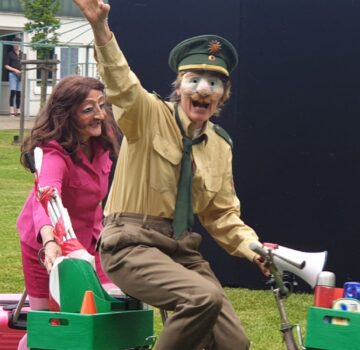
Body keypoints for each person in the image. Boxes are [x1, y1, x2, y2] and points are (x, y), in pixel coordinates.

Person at [74, 2, 270, 349]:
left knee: (233, 341)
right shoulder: (146, 114)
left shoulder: (220, 146)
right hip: (130, 244)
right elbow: (120, 82)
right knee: (201, 298)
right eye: (194, 80)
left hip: (180, 249)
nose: (203, 90)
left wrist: (253, 248)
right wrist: (101, 28)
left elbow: (222, 214)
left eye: (214, 83)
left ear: (224, 95)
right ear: (179, 87)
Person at [16, 75, 120, 350]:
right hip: (43, 243)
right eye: (89, 109)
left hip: (90, 242)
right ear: (67, 115)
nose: (100, 115)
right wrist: (51, 242)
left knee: (108, 312)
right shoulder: (53, 153)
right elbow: (46, 196)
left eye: (102, 105)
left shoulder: (104, 140)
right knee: (49, 327)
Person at [4, 37, 22, 117]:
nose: (16, 45)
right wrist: (15, 70)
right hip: (12, 75)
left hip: (20, 75)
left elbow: (25, 65)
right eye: (14, 44)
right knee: (13, 92)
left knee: (19, 93)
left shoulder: (22, 54)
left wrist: (22, 71)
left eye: (17, 43)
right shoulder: (10, 54)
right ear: (12, 45)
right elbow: (6, 66)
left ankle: (18, 110)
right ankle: (11, 111)